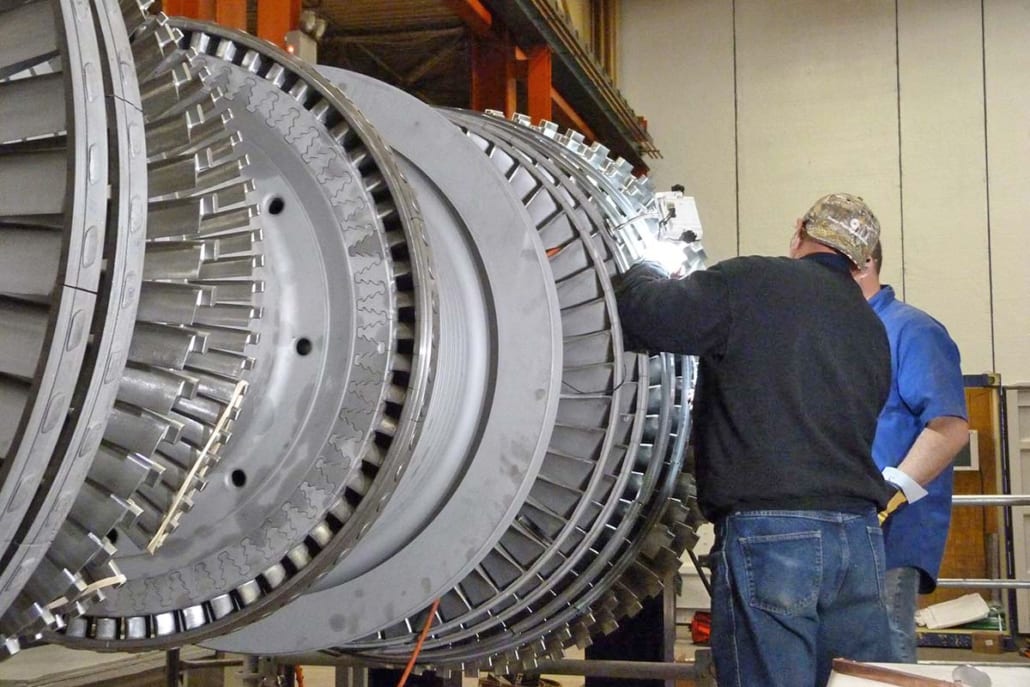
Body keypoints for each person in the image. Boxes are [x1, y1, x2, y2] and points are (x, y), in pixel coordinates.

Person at [615, 193, 895, 687]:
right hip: (859, 539)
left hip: (775, 535)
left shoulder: (753, 282)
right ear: (859, 258)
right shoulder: (870, 324)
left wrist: (643, 265)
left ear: (799, 230)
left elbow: (650, 314)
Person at [855, 242, 969, 662]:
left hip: (889, 536)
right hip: (844, 531)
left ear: (865, 262)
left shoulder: (911, 330)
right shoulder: (839, 333)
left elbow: (950, 427)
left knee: (883, 653)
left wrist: (891, 495)